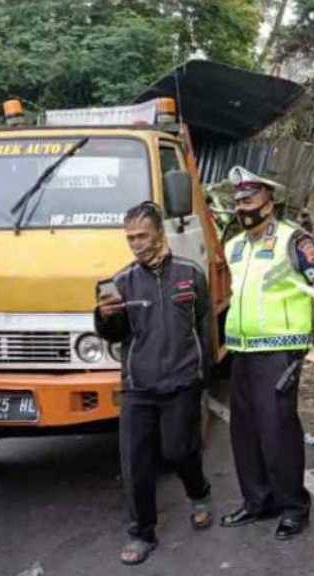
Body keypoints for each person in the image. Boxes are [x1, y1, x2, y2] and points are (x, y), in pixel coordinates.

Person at [219, 166, 314, 541]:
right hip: (240, 348)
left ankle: (292, 506)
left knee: (278, 430)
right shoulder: (234, 245)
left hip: (280, 349)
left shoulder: (295, 240)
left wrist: (307, 336)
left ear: (269, 203)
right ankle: (256, 500)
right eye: (238, 200)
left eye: (249, 199)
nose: (242, 207)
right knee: (245, 430)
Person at [94, 201, 213, 566]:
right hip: (139, 387)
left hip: (181, 382)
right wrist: (102, 317)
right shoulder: (121, 281)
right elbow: (113, 334)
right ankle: (141, 532)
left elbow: (204, 325)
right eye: (130, 238)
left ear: (160, 232)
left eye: (142, 235)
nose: (137, 244)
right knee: (136, 462)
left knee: (179, 451)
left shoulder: (191, 274)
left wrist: (201, 374)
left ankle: (199, 492)